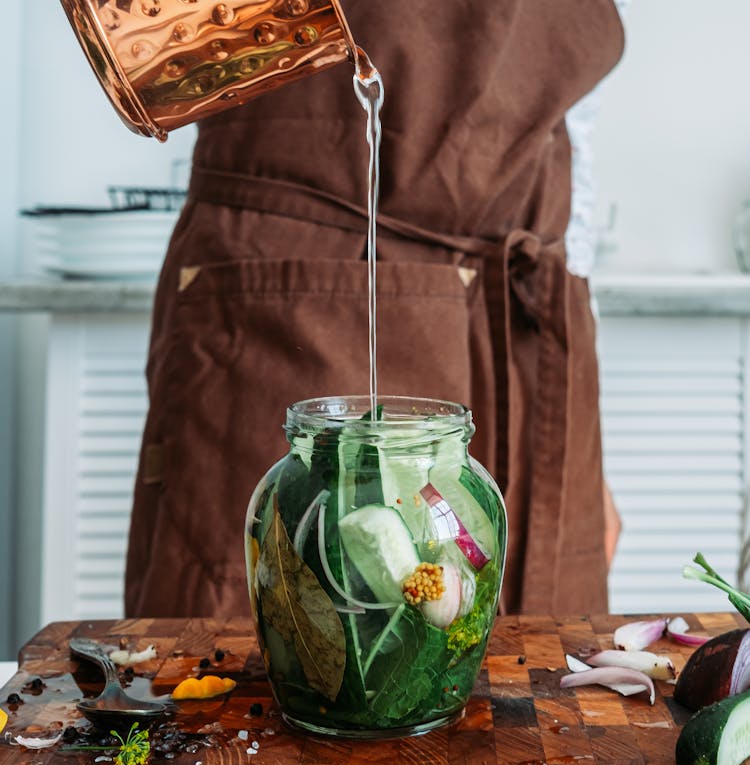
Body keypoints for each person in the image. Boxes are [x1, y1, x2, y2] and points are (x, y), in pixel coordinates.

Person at [125, 0, 626, 619]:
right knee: (275, 641)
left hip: (529, 314)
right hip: (298, 289)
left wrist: (580, 439)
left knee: (537, 688)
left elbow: (578, 125)